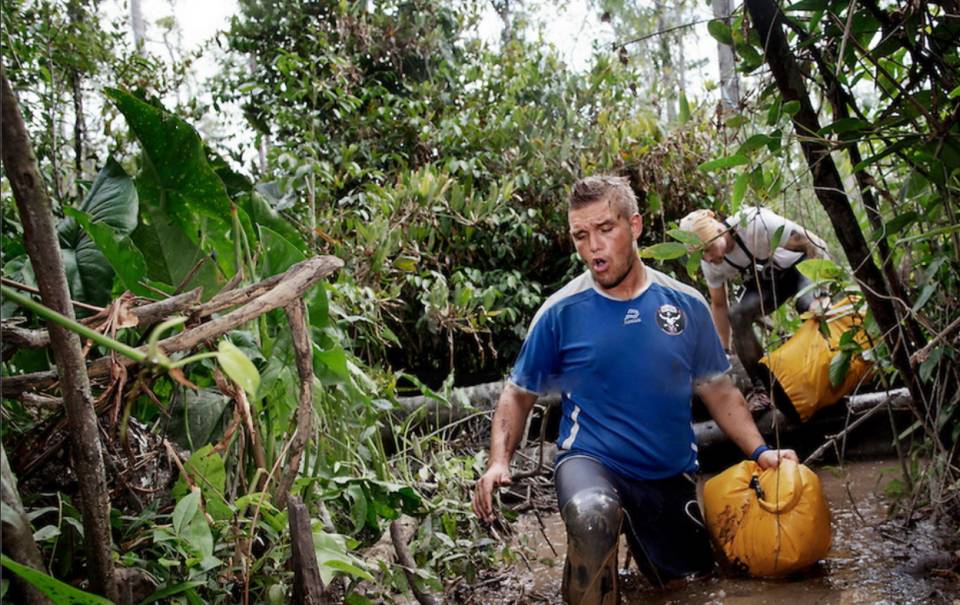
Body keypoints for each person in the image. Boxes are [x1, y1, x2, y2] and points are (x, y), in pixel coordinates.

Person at [472, 176, 797, 604]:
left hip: (668, 473)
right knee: (593, 518)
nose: (593, 247)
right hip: (592, 460)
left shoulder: (686, 305)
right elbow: (518, 393)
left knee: (691, 588)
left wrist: (760, 452)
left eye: (605, 229)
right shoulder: (560, 312)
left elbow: (718, 389)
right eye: (581, 236)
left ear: (635, 226)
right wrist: (499, 462)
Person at [679, 207, 829, 405]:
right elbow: (719, 305)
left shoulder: (755, 224)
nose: (707, 258)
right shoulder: (711, 263)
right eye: (700, 254)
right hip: (769, 284)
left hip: (801, 267)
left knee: (807, 306)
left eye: (707, 249)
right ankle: (764, 388)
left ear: (718, 230)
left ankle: (827, 366)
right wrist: (723, 352)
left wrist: (822, 292)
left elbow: (815, 245)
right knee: (738, 315)